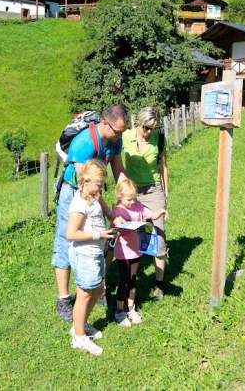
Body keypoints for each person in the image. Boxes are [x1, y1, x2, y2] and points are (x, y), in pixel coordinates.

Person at [52, 103, 128, 322]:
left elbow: (119, 170)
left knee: (98, 241)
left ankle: (97, 288)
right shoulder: (84, 143)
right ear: (105, 123)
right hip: (74, 193)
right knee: (67, 242)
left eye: (122, 132)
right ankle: (64, 299)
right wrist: (108, 211)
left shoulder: (115, 139)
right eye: (117, 131)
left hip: (95, 193)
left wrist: (126, 198)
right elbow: (85, 188)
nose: (119, 136)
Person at [66, 160, 114, 356]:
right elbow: (71, 233)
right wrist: (99, 235)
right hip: (84, 255)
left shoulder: (93, 197)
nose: (100, 188)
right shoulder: (79, 204)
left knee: (98, 289)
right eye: (99, 184)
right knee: (84, 295)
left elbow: (102, 211)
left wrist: (112, 218)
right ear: (85, 180)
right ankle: (79, 338)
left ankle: (80, 324)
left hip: (95, 253)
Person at [122, 107, 169, 299]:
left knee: (159, 235)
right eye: (146, 128)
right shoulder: (125, 137)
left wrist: (166, 194)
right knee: (131, 236)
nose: (149, 132)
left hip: (153, 190)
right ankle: (129, 280)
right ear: (138, 123)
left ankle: (158, 283)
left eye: (153, 128)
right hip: (132, 193)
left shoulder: (158, 138)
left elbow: (164, 166)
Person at [111, 179, 166, 326]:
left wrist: (159, 212)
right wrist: (121, 225)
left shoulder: (137, 206)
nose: (132, 202)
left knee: (133, 279)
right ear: (119, 196)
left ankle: (131, 308)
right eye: (129, 199)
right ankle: (119, 311)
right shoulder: (117, 211)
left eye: (134, 198)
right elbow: (115, 229)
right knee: (123, 281)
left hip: (136, 251)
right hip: (123, 252)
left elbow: (150, 215)